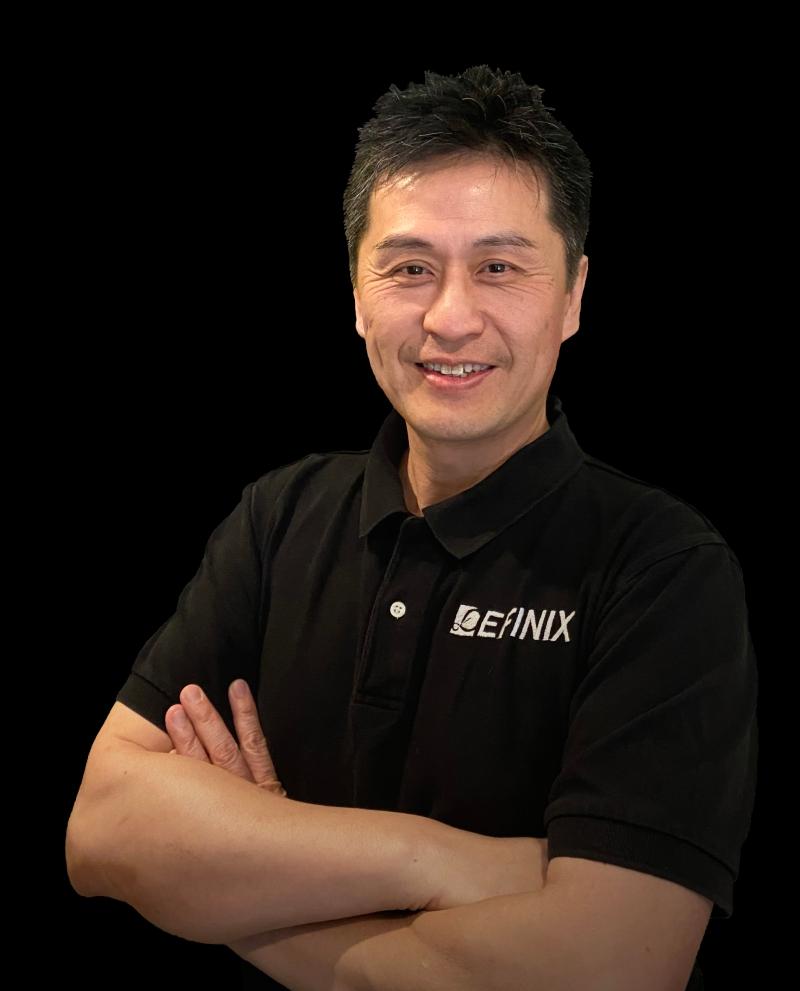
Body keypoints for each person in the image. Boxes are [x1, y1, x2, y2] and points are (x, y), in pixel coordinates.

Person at [66, 65, 757, 990]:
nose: (450, 317)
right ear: (356, 294)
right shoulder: (278, 516)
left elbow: (615, 964)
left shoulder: (663, 570)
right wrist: (434, 860)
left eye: (499, 267)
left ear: (573, 296)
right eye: (409, 268)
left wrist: (242, 896)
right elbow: (101, 828)